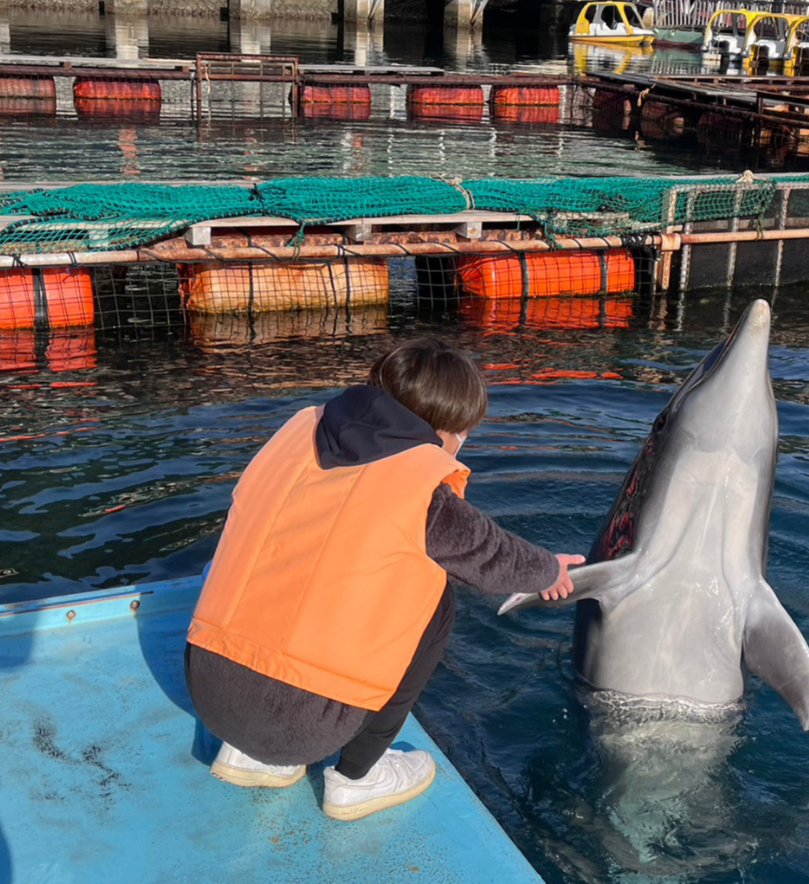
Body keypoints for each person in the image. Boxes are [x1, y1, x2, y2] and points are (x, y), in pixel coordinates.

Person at [185, 338, 584, 821]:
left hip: (209, 689)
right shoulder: (419, 484)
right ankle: (358, 778)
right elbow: (492, 556)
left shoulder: (299, 429)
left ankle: (250, 754)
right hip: (304, 723)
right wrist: (550, 569)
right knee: (434, 599)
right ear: (446, 428)